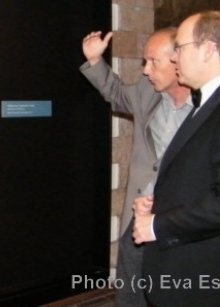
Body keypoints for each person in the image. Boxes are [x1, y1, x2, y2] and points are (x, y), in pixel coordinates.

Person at [133, 10, 220, 306]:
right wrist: (161, 201)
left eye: (180, 49)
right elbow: (202, 175)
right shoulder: (215, 101)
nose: (174, 59)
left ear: (208, 49)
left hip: (209, 282)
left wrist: (158, 224)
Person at [80, 27, 192, 307]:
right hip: (140, 213)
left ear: (179, 61)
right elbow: (117, 94)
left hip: (181, 216)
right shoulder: (147, 92)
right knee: (131, 289)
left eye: (154, 61)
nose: (145, 70)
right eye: (145, 61)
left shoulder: (208, 107)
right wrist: (95, 60)